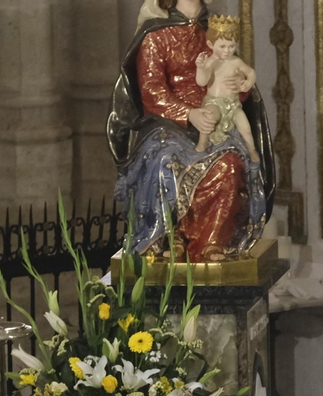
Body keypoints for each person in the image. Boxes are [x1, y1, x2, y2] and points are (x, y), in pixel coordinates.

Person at [111, 0, 275, 262]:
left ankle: (212, 240)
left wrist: (240, 85)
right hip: (167, 123)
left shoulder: (215, 31)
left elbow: (232, 79)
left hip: (215, 116)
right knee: (166, 161)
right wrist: (189, 114)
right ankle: (170, 236)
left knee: (230, 163)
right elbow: (152, 90)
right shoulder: (156, 34)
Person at [194, 16, 258, 157]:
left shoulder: (236, 61)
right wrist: (200, 67)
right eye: (222, 46)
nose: (227, 51)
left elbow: (251, 72)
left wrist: (247, 83)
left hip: (233, 105)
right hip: (214, 102)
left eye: (232, 46)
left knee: (245, 127)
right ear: (211, 45)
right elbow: (201, 82)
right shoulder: (211, 62)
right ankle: (202, 143)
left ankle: (252, 150)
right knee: (208, 117)